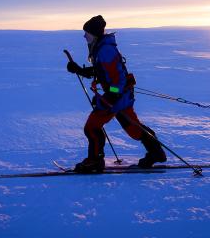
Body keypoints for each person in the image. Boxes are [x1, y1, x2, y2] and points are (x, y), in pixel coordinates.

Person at [66, 15, 167, 173]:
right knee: (132, 128)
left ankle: (94, 162)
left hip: (119, 96)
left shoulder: (105, 50)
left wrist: (109, 97)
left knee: (92, 127)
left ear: (94, 33)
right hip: (123, 95)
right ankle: (156, 153)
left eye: (87, 33)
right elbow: (101, 71)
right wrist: (79, 70)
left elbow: (117, 81)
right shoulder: (102, 47)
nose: (85, 36)